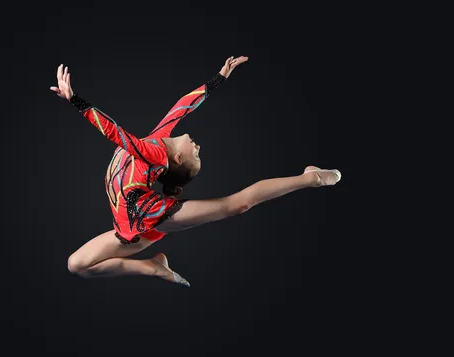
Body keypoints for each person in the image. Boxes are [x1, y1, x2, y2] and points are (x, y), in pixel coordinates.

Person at [50, 56, 341, 287]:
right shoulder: (159, 138)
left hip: (152, 217)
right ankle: (152, 267)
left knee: (236, 205)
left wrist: (76, 100)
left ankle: (311, 178)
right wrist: (220, 77)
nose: (198, 146)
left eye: (196, 155)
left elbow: (114, 133)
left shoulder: (153, 153)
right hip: (128, 228)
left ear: (176, 157)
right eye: (199, 153)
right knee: (77, 266)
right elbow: (183, 106)